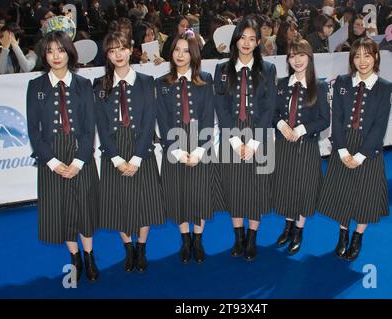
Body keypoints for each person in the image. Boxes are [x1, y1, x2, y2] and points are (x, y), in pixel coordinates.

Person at [26, 31, 100, 283]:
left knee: (85, 210)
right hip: (51, 156)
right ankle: (75, 257)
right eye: (50, 51)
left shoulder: (83, 85)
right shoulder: (35, 86)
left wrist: (79, 161)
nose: (56, 56)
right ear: (44, 55)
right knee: (63, 211)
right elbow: (34, 130)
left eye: (60, 50)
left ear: (69, 52)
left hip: (81, 154)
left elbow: (90, 127)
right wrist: (53, 162)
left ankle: (90, 256)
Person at [93, 31, 165, 273]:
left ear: (130, 49)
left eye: (122, 48)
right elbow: (101, 125)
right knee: (118, 204)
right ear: (107, 55)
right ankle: (128, 248)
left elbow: (149, 121)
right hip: (113, 152)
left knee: (145, 203)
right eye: (112, 50)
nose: (118, 54)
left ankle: (142, 248)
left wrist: (136, 157)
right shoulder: (100, 85)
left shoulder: (146, 82)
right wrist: (114, 157)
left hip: (140, 149)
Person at [317, 38, 392, 262]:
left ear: (376, 57)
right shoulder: (341, 82)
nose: (362, 61)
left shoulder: (385, 87)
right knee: (342, 193)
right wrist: (341, 151)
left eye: (367, 55)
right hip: (343, 144)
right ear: (351, 58)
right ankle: (342, 234)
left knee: (365, 197)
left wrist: (360, 155)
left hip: (368, 150)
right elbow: (337, 119)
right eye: (357, 56)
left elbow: (380, 126)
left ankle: (357, 237)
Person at [214, 18, 277, 261]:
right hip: (231, 134)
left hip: (258, 135)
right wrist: (234, 141)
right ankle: (238, 237)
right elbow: (221, 106)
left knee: (256, 189)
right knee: (234, 188)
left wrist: (252, 143)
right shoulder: (222, 69)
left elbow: (269, 107)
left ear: (258, 42)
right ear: (235, 41)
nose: (247, 43)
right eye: (243, 38)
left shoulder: (268, 69)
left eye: (252, 38)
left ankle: (252, 239)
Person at [156, 31, 216, 264]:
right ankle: (185, 240)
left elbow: (208, 117)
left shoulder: (206, 79)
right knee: (178, 195)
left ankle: (198, 240)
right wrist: (176, 150)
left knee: (199, 196)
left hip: (201, 145)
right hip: (174, 146)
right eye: (176, 50)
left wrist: (200, 149)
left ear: (193, 54)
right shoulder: (161, 83)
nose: (180, 55)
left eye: (185, 50)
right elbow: (162, 120)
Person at [272, 39, 330, 255]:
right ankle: (287, 227)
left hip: (306, 146)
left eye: (301, 55)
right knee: (287, 187)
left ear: (310, 57)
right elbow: (272, 113)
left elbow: (325, 120)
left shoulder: (320, 86)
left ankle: (298, 230)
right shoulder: (281, 84)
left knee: (304, 189)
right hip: (284, 146)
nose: (297, 60)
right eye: (292, 55)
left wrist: (302, 129)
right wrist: (280, 124)